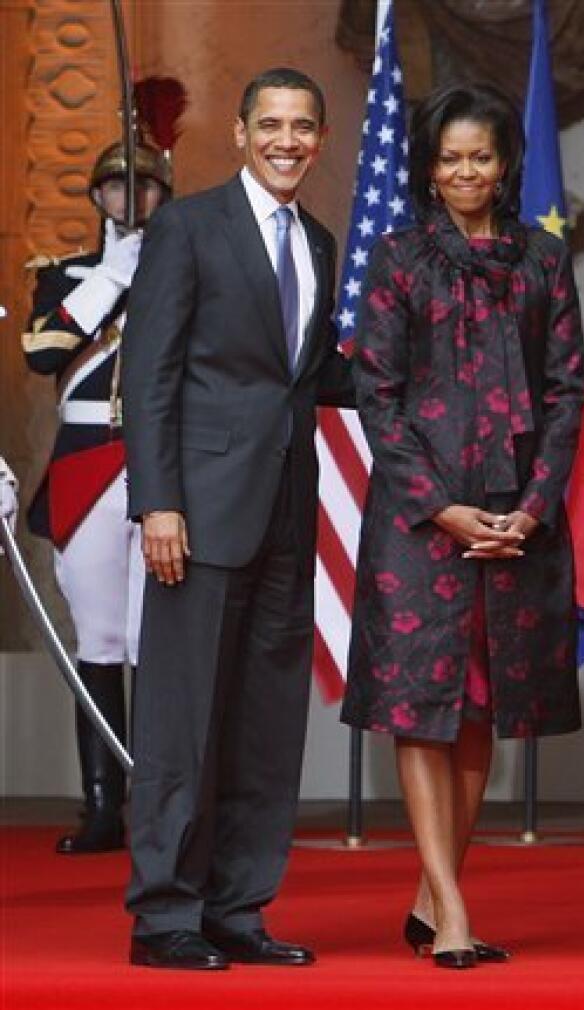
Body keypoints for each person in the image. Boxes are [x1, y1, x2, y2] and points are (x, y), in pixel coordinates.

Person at [342, 81, 584, 970]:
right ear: (427, 166)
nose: (465, 171)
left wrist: (530, 508)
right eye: (449, 157)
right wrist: (441, 506)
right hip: (420, 521)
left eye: (480, 155)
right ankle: (450, 909)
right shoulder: (400, 256)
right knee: (424, 711)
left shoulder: (543, 261)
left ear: (506, 161)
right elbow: (378, 392)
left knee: (485, 706)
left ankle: (433, 889)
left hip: (518, 519)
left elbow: (566, 392)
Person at [121, 67, 354, 971]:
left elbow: (313, 374)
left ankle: (238, 906)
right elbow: (149, 375)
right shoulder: (186, 227)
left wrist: (429, 377)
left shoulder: (322, 241)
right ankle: (166, 916)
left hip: (290, 514)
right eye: (271, 124)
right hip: (199, 515)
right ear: (240, 133)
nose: (287, 140)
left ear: (320, 138)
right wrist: (158, 502)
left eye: (302, 125)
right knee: (181, 724)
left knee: (265, 726)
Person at [20, 139, 171, 854]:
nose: (130, 200)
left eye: (144, 188)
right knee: (101, 640)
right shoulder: (64, 278)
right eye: (117, 187)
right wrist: (109, 281)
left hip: (160, 463)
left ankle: (159, 802)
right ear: (98, 197)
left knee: (158, 641)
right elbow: (42, 354)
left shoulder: (180, 271)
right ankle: (103, 806)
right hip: (86, 463)